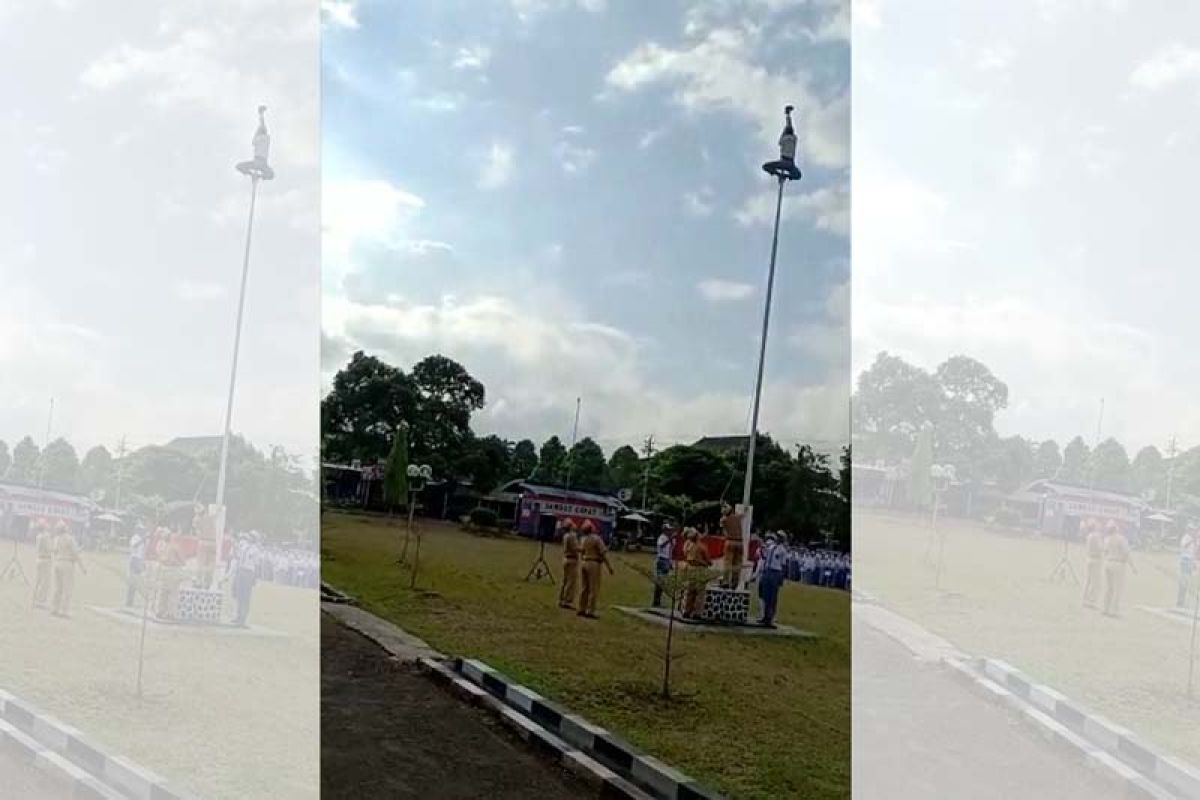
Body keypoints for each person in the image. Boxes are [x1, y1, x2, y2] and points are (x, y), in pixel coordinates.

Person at [577, 521, 613, 619]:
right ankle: (590, 610)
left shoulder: (583, 539)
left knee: (584, 587)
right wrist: (609, 567)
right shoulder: (597, 539)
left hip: (584, 562)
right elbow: (603, 553)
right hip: (594, 563)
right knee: (594, 588)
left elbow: (581, 551)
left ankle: (581, 608)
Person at [50, 521, 86, 618]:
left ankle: (54, 608)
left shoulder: (56, 539)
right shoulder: (70, 539)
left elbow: (54, 551)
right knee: (67, 588)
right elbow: (75, 553)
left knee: (58, 588)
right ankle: (64, 611)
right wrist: (82, 567)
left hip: (57, 562)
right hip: (67, 563)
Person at [1101, 521, 1135, 617]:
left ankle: (1105, 608)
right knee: (1117, 588)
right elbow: (1126, 553)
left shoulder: (1106, 539)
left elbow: (1105, 552)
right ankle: (1114, 610)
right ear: (1116, 529)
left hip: (1108, 563)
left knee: (1108, 588)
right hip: (1118, 564)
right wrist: (1132, 566)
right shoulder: (1121, 539)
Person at [755, 532, 788, 627]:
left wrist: (781, 578)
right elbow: (764, 555)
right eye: (777, 536)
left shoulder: (782, 550)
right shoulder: (772, 547)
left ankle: (770, 619)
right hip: (767, 571)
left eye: (780, 537)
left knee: (772, 597)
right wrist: (761, 546)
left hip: (775, 572)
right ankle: (765, 617)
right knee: (765, 595)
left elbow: (783, 565)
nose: (777, 538)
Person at [682, 527, 712, 618]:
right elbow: (708, 560)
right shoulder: (702, 547)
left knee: (690, 591)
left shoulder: (688, 546)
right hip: (700, 569)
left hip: (690, 568)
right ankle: (697, 612)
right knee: (699, 592)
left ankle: (687, 610)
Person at [719, 502, 744, 589]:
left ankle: (725, 581)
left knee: (727, 563)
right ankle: (735, 582)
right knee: (737, 563)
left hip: (730, 541)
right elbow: (742, 514)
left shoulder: (723, 520)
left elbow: (723, 531)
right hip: (740, 542)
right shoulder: (737, 517)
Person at [1081, 518, 1105, 609]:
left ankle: (1084, 599)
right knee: (1095, 582)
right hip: (1096, 560)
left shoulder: (1089, 536)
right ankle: (1091, 601)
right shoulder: (1096, 536)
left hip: (1089, 559)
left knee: (1088, 580)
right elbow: (1100, 548)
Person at [30, 519, 53, 609]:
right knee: (45, 582)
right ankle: (40, 601)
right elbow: (49, 548)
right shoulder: (46, 536)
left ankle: (35, 599)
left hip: (39, 559)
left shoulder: (38, 536)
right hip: (45, 560)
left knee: (38, 580)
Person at [558, 520, 580, 610]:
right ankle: (567, 601)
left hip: (566, 558)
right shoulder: (572, 536)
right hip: (572, 559)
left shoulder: (565, 536)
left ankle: (561, 599)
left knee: (565, 581)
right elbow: (575, 548)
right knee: (571, 581)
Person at [651, 525, 674, 608]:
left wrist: (670, 562)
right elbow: (661, 545)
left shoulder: (670, 539)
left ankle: (658, 601)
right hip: (661, 559)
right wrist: (670, 540)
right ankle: (655, 602)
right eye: (669, 530)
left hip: (666, 560)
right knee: (659, 582)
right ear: (665, 530)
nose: (670, 531)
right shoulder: (662, 537)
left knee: (663, 583)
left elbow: (670, 551)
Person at [126, 527, 146, 607]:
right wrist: (142, 540)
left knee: (138, 581)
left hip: (140, 560)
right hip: (134, 559)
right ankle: (129, 601)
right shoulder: (135, 537)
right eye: (141, 530)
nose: (142, 531)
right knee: (132, 581)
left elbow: (142, 552)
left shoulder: (142, 539)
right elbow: (134, 545)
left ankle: (132, 601)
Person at [1179, 526, 1196, 608]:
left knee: (1188, 582)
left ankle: (1185, 603)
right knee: (1184, 582)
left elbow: (1193, 553)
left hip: (1190, 561)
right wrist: (1191, 541)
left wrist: (1193, 563)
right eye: (1192, 530)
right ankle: (1180, 602)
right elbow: (1184, 546)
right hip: (1185, 560)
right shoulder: (1185, 537)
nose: (1193, 532)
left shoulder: (1193, 540)